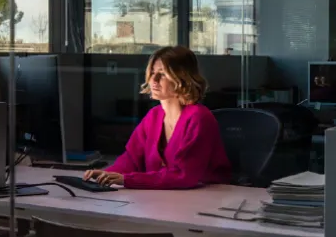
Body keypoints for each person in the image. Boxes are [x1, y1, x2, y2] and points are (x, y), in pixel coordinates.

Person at [83, 46, 232, 189]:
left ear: (182, 78)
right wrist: (107, 173)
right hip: (164, 196)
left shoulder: (199, 118)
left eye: (163, 74)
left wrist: (127, 180)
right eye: (152, 72)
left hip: (207, 196)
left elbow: (184, 176)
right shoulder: (153, 116)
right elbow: (131, 159)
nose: (154, 79)